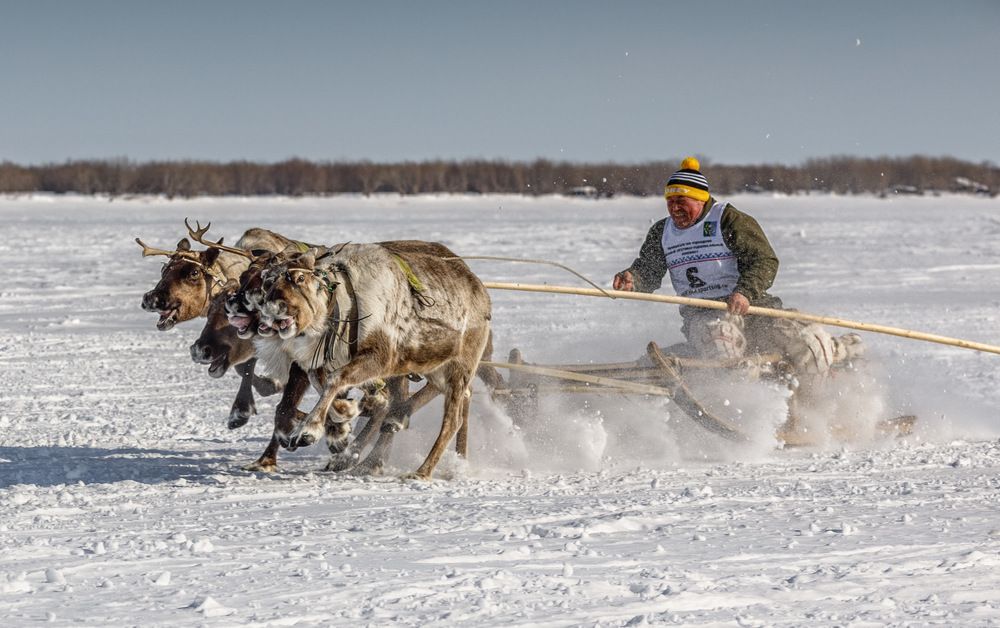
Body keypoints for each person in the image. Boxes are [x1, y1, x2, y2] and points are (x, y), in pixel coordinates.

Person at [613, 156, 784, 359]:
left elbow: (763, 260)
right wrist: (634, 278)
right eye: (670, 201)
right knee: (721, 344)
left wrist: (745, 292)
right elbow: (649, 270)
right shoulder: (662, 232)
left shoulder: (728, 219)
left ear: (700, 199)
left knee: (809, 343)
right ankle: (728, 388)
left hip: (756, 310)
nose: (674, 208)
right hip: (703, 316)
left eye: (681, 201)